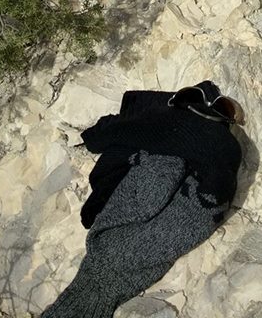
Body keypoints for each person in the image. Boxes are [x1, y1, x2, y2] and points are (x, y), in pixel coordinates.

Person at [41, 81, 244, 318]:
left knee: (109, 261)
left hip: (110, 257)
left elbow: (98, 138)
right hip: (203, 202)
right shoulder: (229, 150)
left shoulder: (166, 121)